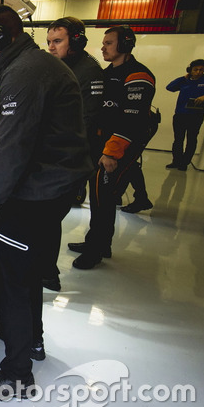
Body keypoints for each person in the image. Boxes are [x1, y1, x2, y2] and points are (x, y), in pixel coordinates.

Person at [0, 5, 91, 400]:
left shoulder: (22, 74)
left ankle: (16, 373)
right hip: (55, 189)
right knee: (30, 270)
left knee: (10, 280)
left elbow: (13, 152)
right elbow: (27, 125)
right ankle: (32, 341)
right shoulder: (36, 65)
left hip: (35, 193)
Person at [69, 26, 156, 269]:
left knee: (104, 198)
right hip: (102, 144)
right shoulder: (108, 73)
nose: (103, 47)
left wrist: (111, 152)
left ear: (125, 45)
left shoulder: (139, 75)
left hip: (119, 148)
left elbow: (132, 119)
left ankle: (95, 251)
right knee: (99, 198)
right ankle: (98, 242)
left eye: (108, 43)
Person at [43, 16, 104, 290]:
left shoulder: (88, 72)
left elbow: (87, 121)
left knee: (48, 215)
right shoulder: (64, 67)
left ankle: (47, 274)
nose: (51, 48)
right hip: (60, 155)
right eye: (49, 42)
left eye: (57, 41)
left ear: (76, 41)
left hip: (69, 159)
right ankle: (45, 270)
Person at [165, 59, 204, 170]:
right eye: (196, 70)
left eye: (201, 70)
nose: (199, 72)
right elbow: (169, 87)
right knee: (178, 139)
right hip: (181, 114)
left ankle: (184, 163)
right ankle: (176, 161)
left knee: (191, 139)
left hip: (196, 115)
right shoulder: (184, 80)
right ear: (190, 70)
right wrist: (183, 78)